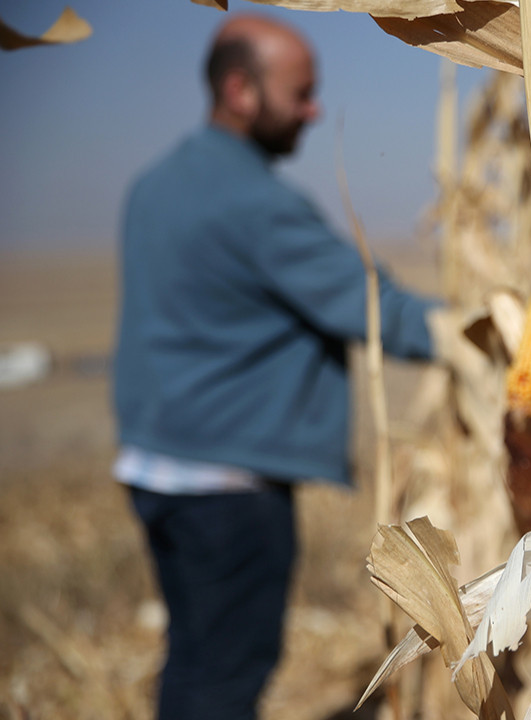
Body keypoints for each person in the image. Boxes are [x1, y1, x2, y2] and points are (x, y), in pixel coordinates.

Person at [111, 14, 441, 720]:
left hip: (155, 468)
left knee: (195, 654)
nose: (315, 111)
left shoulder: (154, 184)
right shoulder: (255, 203)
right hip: (227, 489)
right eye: (301, 94)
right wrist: (487, 329)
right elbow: (372, 309)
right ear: (240, 90)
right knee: (227, 673)